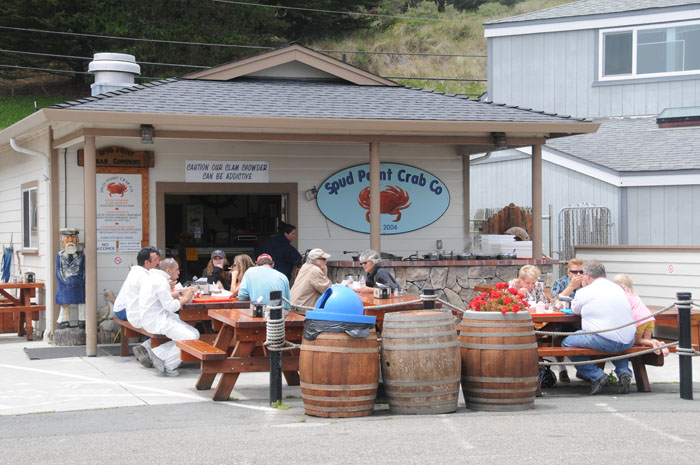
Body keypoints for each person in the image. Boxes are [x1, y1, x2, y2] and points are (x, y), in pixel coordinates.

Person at [562, 260, 636, 395]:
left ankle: (596, 375)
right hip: (628, 339)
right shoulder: (617, 288)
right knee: (615, 341)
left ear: (587, 276)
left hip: (605, 339)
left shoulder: (585, 291)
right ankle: (624, 372)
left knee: (567, 343)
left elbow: (575, 310)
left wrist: (581, 288)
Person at [140, 258, 198, 376]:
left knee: (195, 333)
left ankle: (157, 353)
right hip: (156, 320)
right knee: (190, 337)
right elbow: (170, 306)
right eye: (176, 270)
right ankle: (168, 366)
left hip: (155, 317)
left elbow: (165, 298)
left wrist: (182, 293)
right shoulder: (160, 281)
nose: (179, 272)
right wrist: (185, 299)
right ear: (168, 270)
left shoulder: (154, 278)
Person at [112, 246, 165, 368]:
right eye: (156, 259)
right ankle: (149, 349)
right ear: (147, 262)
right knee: (154, 317)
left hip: (122, 307)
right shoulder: (142, 276)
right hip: (123, 310)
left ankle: (148, 347)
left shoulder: (139, 271)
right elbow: (153, 296)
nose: (159, 262)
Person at [613, 274, 669, 357]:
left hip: (640, 320)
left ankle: (653, 342)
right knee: (646, 341)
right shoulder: (633, 294)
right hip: (649, 318)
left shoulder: (623, 296)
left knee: (637, 340)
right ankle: (660, 344)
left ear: (621, 286)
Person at [549, 258, 585, 383]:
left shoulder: (589, 284)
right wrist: (571, 287)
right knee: (557, 336)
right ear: (569, 273)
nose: (579, 275)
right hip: (563, 320)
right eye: (575, 272)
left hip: (583, 320)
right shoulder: (561, 282)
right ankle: (561, 368)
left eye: (581, 272)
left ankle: (584, 370)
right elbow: (553, 302)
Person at [55, 229, 85, 329]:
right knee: (64, 304)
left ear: (77, 241)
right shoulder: (60, 256)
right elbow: (58, 270)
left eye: (73, 239)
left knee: (81, 303)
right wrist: (63, 281)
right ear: (63, 243)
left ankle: (82, 319)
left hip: (78, 283)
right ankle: (63, 320)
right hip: (65, 284)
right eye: (67, 239)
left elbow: (84, 270)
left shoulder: (81, 256)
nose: (70, 241)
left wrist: (82, 281)